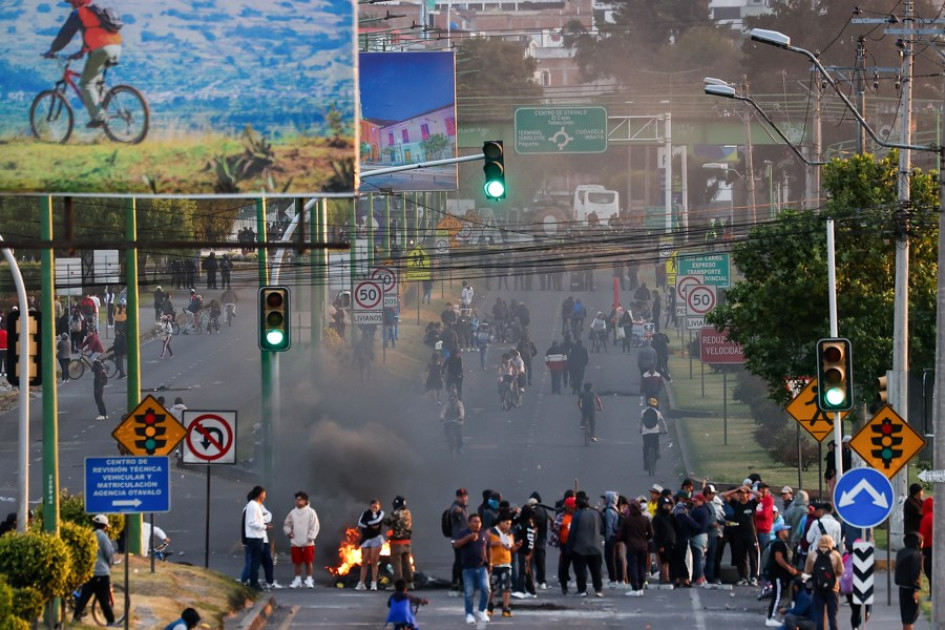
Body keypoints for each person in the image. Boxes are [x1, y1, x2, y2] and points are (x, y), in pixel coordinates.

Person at [42, 2, 123, 127]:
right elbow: (94, 32)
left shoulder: (78, 13)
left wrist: (53, 50)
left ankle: (99, 117)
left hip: (101, 49)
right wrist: (82, 52)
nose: (70, 4)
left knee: (86, 84)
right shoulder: (96, 12)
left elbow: (65, 35)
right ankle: (102, 105)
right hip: (115, 47)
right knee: (95, 81)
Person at [73, 514, 116, 626]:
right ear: (105, 526)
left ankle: (76, 618)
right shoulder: (102, 536)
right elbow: (109, 553)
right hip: (101, 573)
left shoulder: (89, 535)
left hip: (90, 571)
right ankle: (110, 621)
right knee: (104, 599)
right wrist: (111, 563)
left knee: (84, 598)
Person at [452, 513, 490, 624]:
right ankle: (469, 614)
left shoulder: (483, 533)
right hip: (468, 568)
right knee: (469, 592)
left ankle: (482, 610)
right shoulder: (463, 533)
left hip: (482, 566)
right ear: (469, 523)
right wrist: (468, 538)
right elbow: (456, 545)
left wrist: (488, 561)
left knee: (486, 589)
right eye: (475, 522)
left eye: (479, 522)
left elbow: (486, 547)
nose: (477, 524)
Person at [804, 534, 843, 630]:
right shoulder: (835, 555)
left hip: (817, 588)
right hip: (832, 589)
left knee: (819, 616)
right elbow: (840, 571)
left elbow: (807, 570)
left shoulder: (812, 554)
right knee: (832, 617)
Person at [486, 510, 520, 618]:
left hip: (506, 563)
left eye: (509, 524)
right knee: (492, 587)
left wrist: (517, 546)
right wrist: (493, 543)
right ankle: (489, 606)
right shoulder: (490, 531)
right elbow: (484, 544)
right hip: (494, 564)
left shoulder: (510, 534)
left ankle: (506, 608)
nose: (508, 526)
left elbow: (511, 548)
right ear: (500, 522)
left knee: (507, 587)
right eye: (506, 523)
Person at [765, 522, 800, 627]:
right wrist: (789, 568)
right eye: (785, 529)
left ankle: (772, 616)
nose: (787, 531)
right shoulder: (779, 544)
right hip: (777, 574)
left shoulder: (779, 542)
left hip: (778, 574)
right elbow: (779, 558)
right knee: (777, 596)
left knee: (778, 595)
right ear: (780, 531)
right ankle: (770, 617)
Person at [283, 491, 320, 589]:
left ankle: (309, 580)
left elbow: (315, 526)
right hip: (295, 542)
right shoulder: (293, 512)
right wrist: (289, 532)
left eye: (300, 500)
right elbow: (286, 524)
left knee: (308, 562)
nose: (297, 501)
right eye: (296, 499)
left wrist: (311, 537)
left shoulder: (311, 512)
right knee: (297, 562)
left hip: (308, 542)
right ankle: (297, 579)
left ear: (305, 501)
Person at [895, 532, 924, 630]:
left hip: (902, 587)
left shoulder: (901, 552)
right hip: (911, 588)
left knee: (905, 618)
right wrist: (916, 589)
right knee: (910, 618)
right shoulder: (916, 555)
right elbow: (916, 572)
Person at [355, 499, 384, 591]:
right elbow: (359, 523)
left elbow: (377, 522)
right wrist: (370, 525)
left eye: (376, 507)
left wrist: (367, 524)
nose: (374, 508)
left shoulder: (381, 513)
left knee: (374, 561)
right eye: (373, 507)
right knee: (364, 561)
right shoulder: (365, 513)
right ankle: (361, 583)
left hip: (376, 538)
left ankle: (374, 583)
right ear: (370, 507)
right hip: (366, 539)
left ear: (379, 507)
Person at [242, 485, 268, 590]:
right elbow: (252, 523)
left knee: (256, 563)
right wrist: (264, 527)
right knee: (255, 562)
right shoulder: (253, 506)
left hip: (258, 537)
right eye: (264, 494)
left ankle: (254, 582)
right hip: (254, 538)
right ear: (260, 494)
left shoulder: (256, 505)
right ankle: (254, 583)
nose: (265, 496)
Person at [385, 496, 414, 589]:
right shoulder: (408, 513)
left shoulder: (396, 513)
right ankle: (410, 583)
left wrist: (379, 516)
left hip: (397, 543)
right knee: (407, 563)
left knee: (396, 564)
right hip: (407, 542)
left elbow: (387, 522)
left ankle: (398, 584)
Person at [448, 488, 470, 592]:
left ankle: (455, 582)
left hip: (463, 538)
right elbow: (454, 512)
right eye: (462, 497)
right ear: (457, 497)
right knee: (460, 561)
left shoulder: (465, 508)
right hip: (458, 539)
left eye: (465, 496)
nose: (464, 498)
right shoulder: (456, 507)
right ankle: (460, 583)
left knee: (459, 561)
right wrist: (457, 511)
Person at [919, 497, 933, 588]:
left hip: (928, 548)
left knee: (929, 570)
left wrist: (919, 548)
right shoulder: (940, 515)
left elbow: (921, 535)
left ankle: (933, 594)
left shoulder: (926, 518)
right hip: (940, 547)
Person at [91, 356, 108, 420]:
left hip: (98, 387)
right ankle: (104, 414)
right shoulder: (102, 370)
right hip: (101, 386)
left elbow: (98, 380)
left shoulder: (98, 373)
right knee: (100, 400)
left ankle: (102, 414)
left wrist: (97, 388)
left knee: (98, 400)